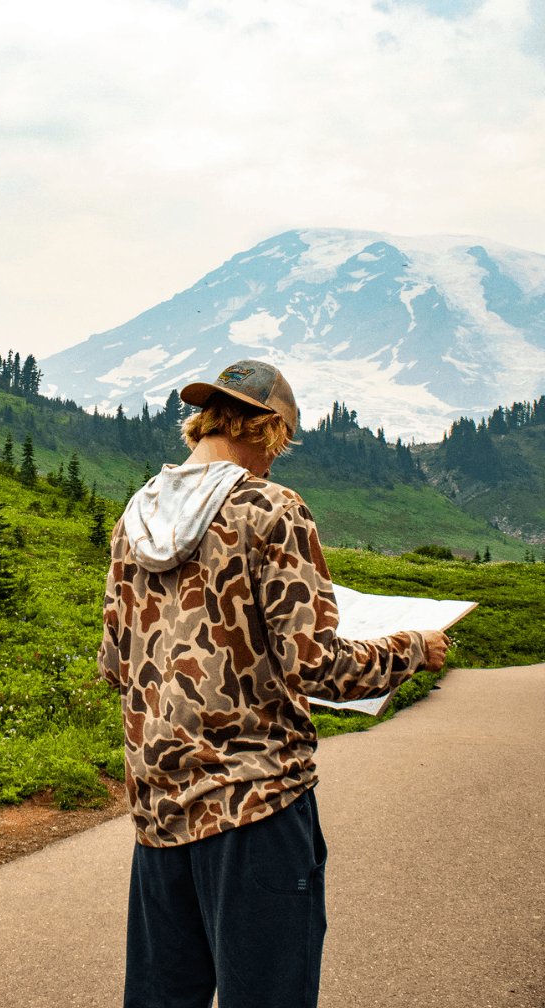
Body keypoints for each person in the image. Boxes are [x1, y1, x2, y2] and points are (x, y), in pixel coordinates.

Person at [97, 358, 450, 1008]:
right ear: (264, 429)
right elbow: (317, 665)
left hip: (158, 820)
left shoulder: (132, 522)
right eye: (278, 445)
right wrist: (412, 649)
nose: (272, 463)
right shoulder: (271, 510)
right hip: (256, 810)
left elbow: (117, 666)